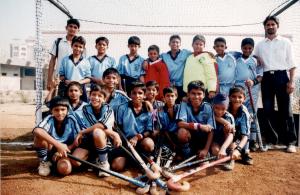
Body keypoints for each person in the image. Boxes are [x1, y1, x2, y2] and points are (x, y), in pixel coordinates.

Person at [254, 16, 297, 153]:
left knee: (286, 110)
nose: (270, 26)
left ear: (277, 26)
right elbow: (255, 60)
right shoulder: (260, 45)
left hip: (281, 77)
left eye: (273, 24)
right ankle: (272, 140)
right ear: (265, 27)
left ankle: (290, 142)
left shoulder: (286, 42)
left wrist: (291, 82)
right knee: (267, 110)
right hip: (266, 78)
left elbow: (292, 64)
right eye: (268, 25)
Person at [71, 85, 121, 177]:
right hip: (90, 139)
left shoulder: (108, 108)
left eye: (100, 96)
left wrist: (82, 132)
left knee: (97, 132)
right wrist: (114, 133)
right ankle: (94, 160)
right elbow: (95, 127)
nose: (96, 98)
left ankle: (104, 163)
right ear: (90, 95)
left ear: (105, 99)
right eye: (93, 95)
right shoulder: (86, 108)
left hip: (106, 141)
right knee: (75, 162)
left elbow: (100, 126)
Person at [33, 96, 81, 176]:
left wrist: (65, 150)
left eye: (63, 110)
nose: (59, 113)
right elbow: (37, 130)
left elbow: (79, 138)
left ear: (67, 110)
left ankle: (59, 163)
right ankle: (44, 162)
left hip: (67, 150)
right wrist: (58, 145)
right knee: (38, 136)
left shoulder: (71, 119)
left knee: (64, 169)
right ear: (51, 111)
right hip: (53, 149)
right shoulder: (49, 118)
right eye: (56, 110)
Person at [112, 82, 155, 171]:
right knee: (117, 166)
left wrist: (137, 137)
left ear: (144, 95)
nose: (137, 96)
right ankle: (132, 159)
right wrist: (126, 142)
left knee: (149, 144)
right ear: (130, 94)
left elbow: (149, 130)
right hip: (125, 142)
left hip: (141, 141)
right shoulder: (122, 108)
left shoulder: (148, 109)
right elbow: (117, 128)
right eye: (134, 93)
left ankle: (141, 157)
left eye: (140, 93)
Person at [235, 38, 263, 151]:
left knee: (252, 114)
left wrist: (253, 82)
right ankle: (239, 138)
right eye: (245, 48)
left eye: (250, 48)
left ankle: (253, 140)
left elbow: (260, 76)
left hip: (252, 90)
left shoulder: (256, 60)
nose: (247, 50)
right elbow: (224, 51)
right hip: (239, 89)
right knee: (239, 113)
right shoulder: (236, 58)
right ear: (241, 48)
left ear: (253, 48)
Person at [176, 80, 215, 159]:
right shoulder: (184, 105)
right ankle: (187, 155)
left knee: (203, 160)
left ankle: (202, 152)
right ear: (188, 94)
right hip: (190, 139)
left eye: (199, 94)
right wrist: (198, 126)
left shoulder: (208, 107)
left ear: (204, 95)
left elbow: (211, 130)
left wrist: (206, 149)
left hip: (203, 141)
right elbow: (180, 123)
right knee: (182, 132)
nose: (196, 97)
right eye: (193, 93)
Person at [47, 18, 81, 91]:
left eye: (75, 27)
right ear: (66, 27)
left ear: (78, 30)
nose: (72, 29)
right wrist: (49, 80)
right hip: (59, 80)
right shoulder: (58, 42)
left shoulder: (80, 45)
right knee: (58, 101)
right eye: (70, 26)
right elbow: (52, 60)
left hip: (74, 80)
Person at [183, 35, 217, 101]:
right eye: (196, 44)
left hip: (202, 91)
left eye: (201, 44)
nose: (198, 46)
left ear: (204, 46)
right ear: (192, 45)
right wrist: (186, 91)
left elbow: (211, 74)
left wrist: (211, 90)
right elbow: (186, 76)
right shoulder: (189, 57)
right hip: (190, 91)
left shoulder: (207, 56)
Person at [227, 86, 253, 168]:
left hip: (239, 136)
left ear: (244, 99)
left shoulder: (244, 113)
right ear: (229, 97)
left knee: (244, 138)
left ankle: (244, 153)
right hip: (227, 135)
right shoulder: (225, 108)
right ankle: (229, 153)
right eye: (233, 96)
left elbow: (245, 135)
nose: (236, 99)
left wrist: (237, 148)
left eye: (240, 97)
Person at [59, 36, 91, 102]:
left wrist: (79, 82)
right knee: (66, 106)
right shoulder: (65, 60)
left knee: (82, 107)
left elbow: (88, 78)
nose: (78, 48)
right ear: (72, 46)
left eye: (80, 47)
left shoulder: (86, 61)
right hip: (68, 88)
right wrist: (66, 81)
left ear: (83, 48)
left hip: (80, 89)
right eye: (76, 46)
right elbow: (61, 75)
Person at [161, 35, 191, 102]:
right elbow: (154, 59)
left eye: (177, 42)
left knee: (182, 104)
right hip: (169, 85)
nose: (175, 44)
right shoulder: (164, 55)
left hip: (181, 85)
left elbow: (197, 52)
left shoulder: (185, 53)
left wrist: (207, 53)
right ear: (169, 44)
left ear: (180, 44)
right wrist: (146, 61)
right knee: (170, 104)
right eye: (173, 42)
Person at [210, 93, 235, 170]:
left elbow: (231, 134)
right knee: (215, 151)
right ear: (213, 106)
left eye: (223, 109)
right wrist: (225, 122)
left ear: (227, 107)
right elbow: (212, 116)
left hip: (226, 141)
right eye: (217, 108)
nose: (219, 111)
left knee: (228, 128)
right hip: (214, 141)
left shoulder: (229, 116)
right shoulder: (209, 112)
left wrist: (223, 148)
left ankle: (230, 156)